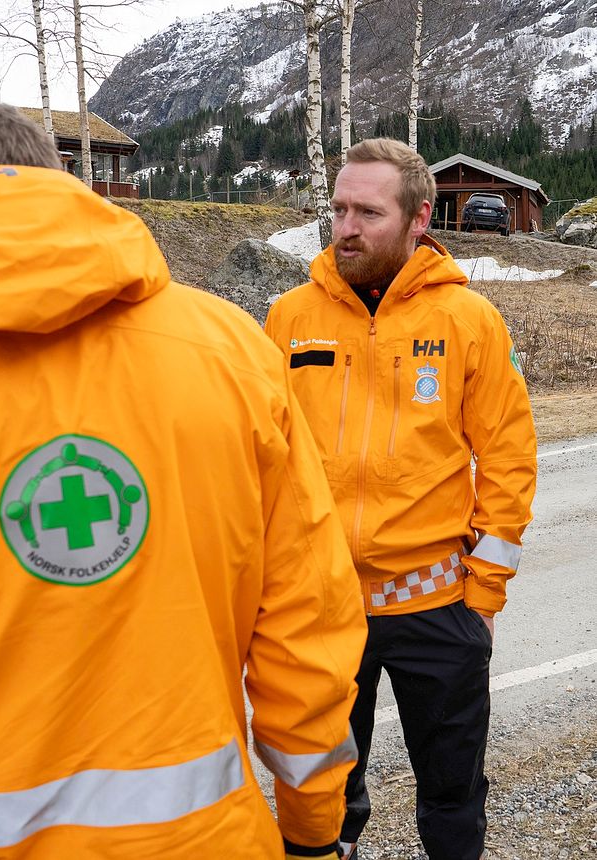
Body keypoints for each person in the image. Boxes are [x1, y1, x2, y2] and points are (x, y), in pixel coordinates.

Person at [0, 95, 368, 860]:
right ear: (62, 184)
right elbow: (306, 618)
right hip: (208, 842)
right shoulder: (228, 348)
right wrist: (315, 825)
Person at [265, 138, 537, 860]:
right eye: (339, 208)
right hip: (320, 611)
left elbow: (508, 459)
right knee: (321, 800)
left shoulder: (469, 320)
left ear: (419, 219)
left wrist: (482, 595)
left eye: (367, 212)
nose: (346, 227)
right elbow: (261, 456)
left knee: (451, 799)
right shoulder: (288, 318)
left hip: (436, 610)